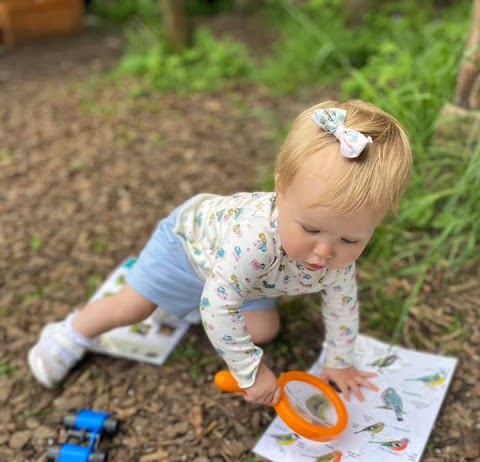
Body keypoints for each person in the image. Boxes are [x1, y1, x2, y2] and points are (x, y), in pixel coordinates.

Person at [28, 99, 412, 405]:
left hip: (241, 276)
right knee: (133, 308)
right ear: (281, 190)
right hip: (186, 248)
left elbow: (342, 305)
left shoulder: (334, 257)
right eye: (310, 229)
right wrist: (250, 371)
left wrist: (340, 362)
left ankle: (202, 298)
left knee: (264, 330)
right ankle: (68, 334)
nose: (326, 252)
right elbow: (219, 306)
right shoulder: (254, 242)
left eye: (351, 240)